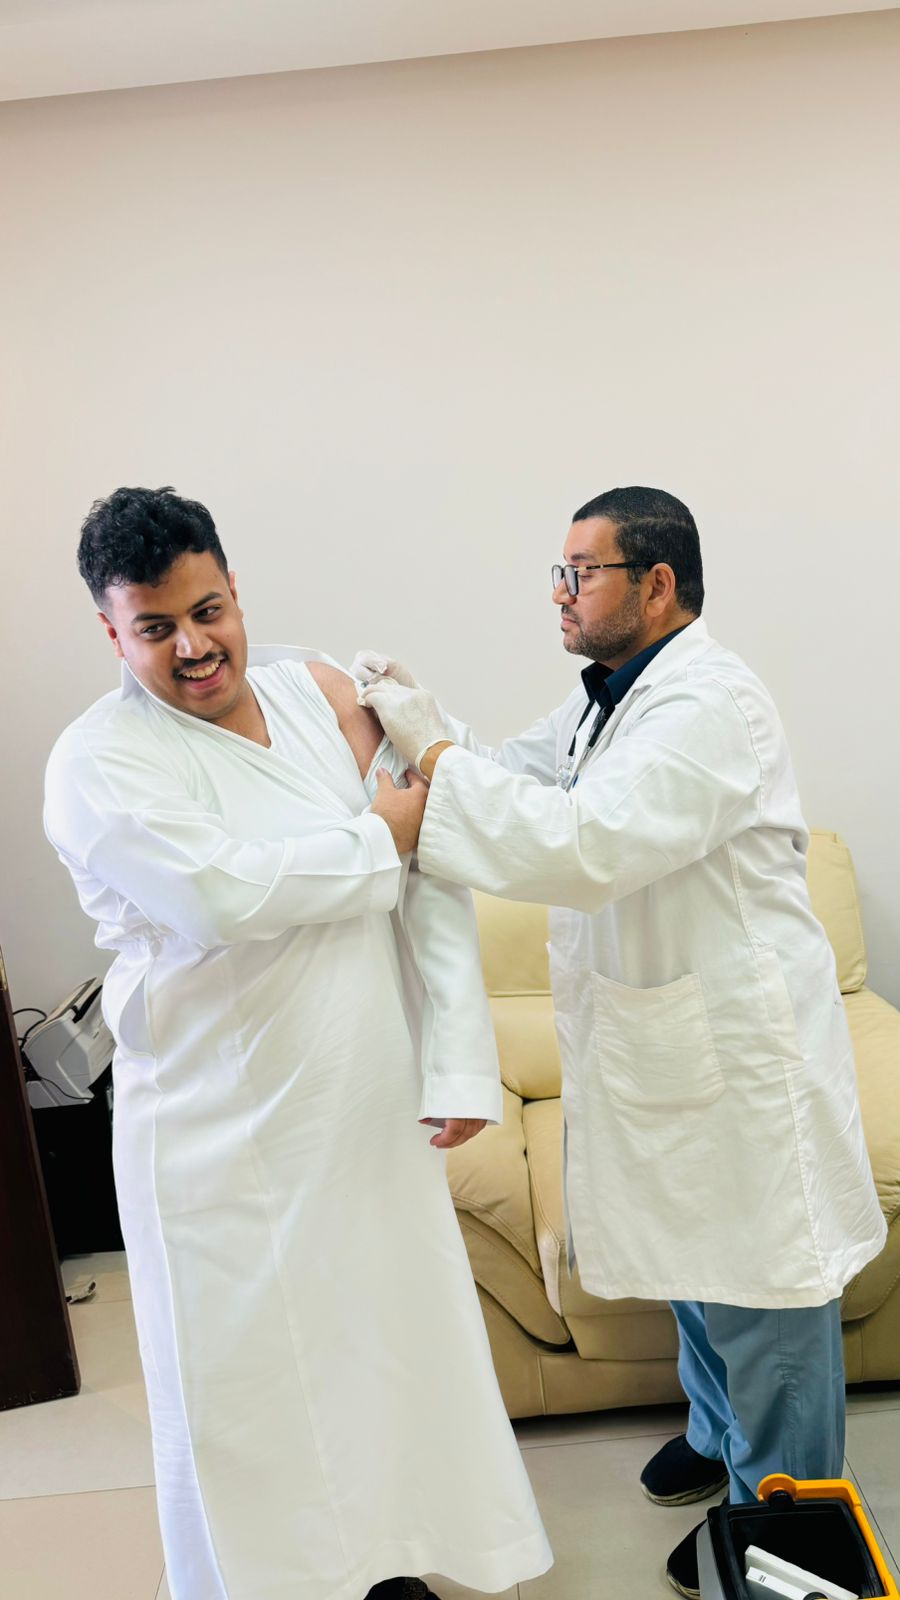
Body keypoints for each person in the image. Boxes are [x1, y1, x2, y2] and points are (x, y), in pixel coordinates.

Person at [354, 484, 887, 1600]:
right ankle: (717, 1438)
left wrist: (433, 767)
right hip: (669, 1051)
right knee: (696, 1270)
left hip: (741, 1063)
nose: (561, 593)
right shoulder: (609, 696)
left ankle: (784, 1524)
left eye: (581, 572)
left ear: (657, 583)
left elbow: (585, 845)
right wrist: (424, 729)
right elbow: (518, 776)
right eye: (559, 571)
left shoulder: (707, 706)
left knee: (763, 1295)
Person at [44, 486, 552, 1600]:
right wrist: (381, 831)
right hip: (218, 1133)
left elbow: (430, 875)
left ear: (234, 587)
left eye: (207, 611)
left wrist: (457, 1058)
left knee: (388, 1348)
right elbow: (221, 898)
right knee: (253, 1392)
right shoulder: (98, 762)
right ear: (111, 632)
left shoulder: (318, 690)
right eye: (155, 628)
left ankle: (394, 1563)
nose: (194, 647)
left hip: (360, 1089)